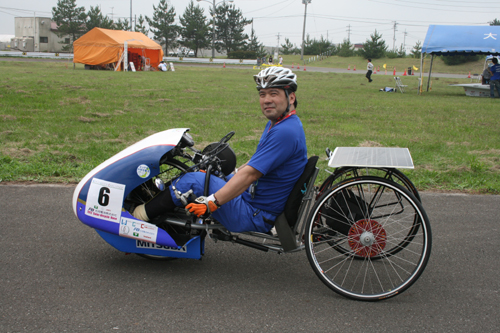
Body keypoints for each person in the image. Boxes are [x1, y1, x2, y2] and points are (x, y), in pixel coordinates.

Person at [133, 67, 308, 233]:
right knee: (207, 173)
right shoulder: (281, 124)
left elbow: (251, 175)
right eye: (262, 94)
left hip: (255, 213)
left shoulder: (285, 132)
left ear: (291, 97)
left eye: (274, 93)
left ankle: (136, 217)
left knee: (191, 181)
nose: (266, 100)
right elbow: (255, 163)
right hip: (254, 201)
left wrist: (212, 202)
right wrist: (229, 174)